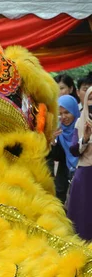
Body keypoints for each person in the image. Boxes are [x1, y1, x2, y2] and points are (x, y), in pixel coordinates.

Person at [67, 86, 92, 240]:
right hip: (85, 176)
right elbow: (74, 150)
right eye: (90, 98)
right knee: (84, 217)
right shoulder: (80, 122)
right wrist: (86, 138)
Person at [49, 95, 80, 203]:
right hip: (65, 170)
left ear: (74, 111)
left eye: (67, 112)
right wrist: (53, 141)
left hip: (82, 170)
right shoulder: (59, 131)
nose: (63, 117)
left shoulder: (83, 128)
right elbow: (57, 157)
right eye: (60, 114)